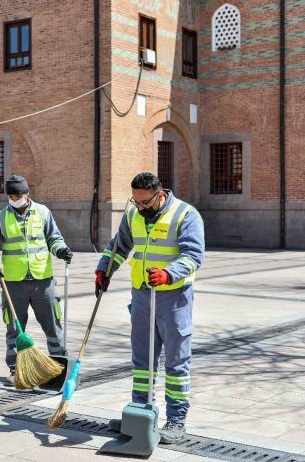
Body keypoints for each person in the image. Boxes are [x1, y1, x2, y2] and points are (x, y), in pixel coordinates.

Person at [95, 172, 204, 445]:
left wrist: (169, 273)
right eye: (136, 202)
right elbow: (119, 245)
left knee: (176, 361)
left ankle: (176, 420)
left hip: (174, 297)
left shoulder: (185, 214)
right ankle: (141, 413)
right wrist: (104, 269)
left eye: (145, 203)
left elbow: (193, 256)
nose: (140, 207)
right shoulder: (133, 214)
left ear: (159, 195)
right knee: (142, 360)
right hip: (143, 295)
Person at [0, 175, 73, 387]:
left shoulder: (43, 212)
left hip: (42, 280)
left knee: (52, 323)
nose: (15, 199)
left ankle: (59, 364)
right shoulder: (0, 218)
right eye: (11, 196)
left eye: (19, 195)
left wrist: (61, 250)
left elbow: (54, 238)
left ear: (27, 194)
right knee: (14, 327)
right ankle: (16, 370)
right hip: (13, 282)